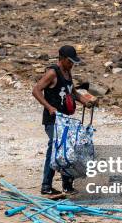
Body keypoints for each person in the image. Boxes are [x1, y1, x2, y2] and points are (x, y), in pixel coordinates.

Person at [32, 45, 94, 195]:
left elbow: (72, 93)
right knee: (55, 148)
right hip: (52, 121)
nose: (72, 64)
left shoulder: (68, 73)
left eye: (73, 62)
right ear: (62, 59)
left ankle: (67, 185)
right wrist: (49, 107)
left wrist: (84, 100)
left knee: (70, 149)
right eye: (70, 61)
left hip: (65, 121)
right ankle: (46, 186)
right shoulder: (53, 73)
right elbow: (36, 90)